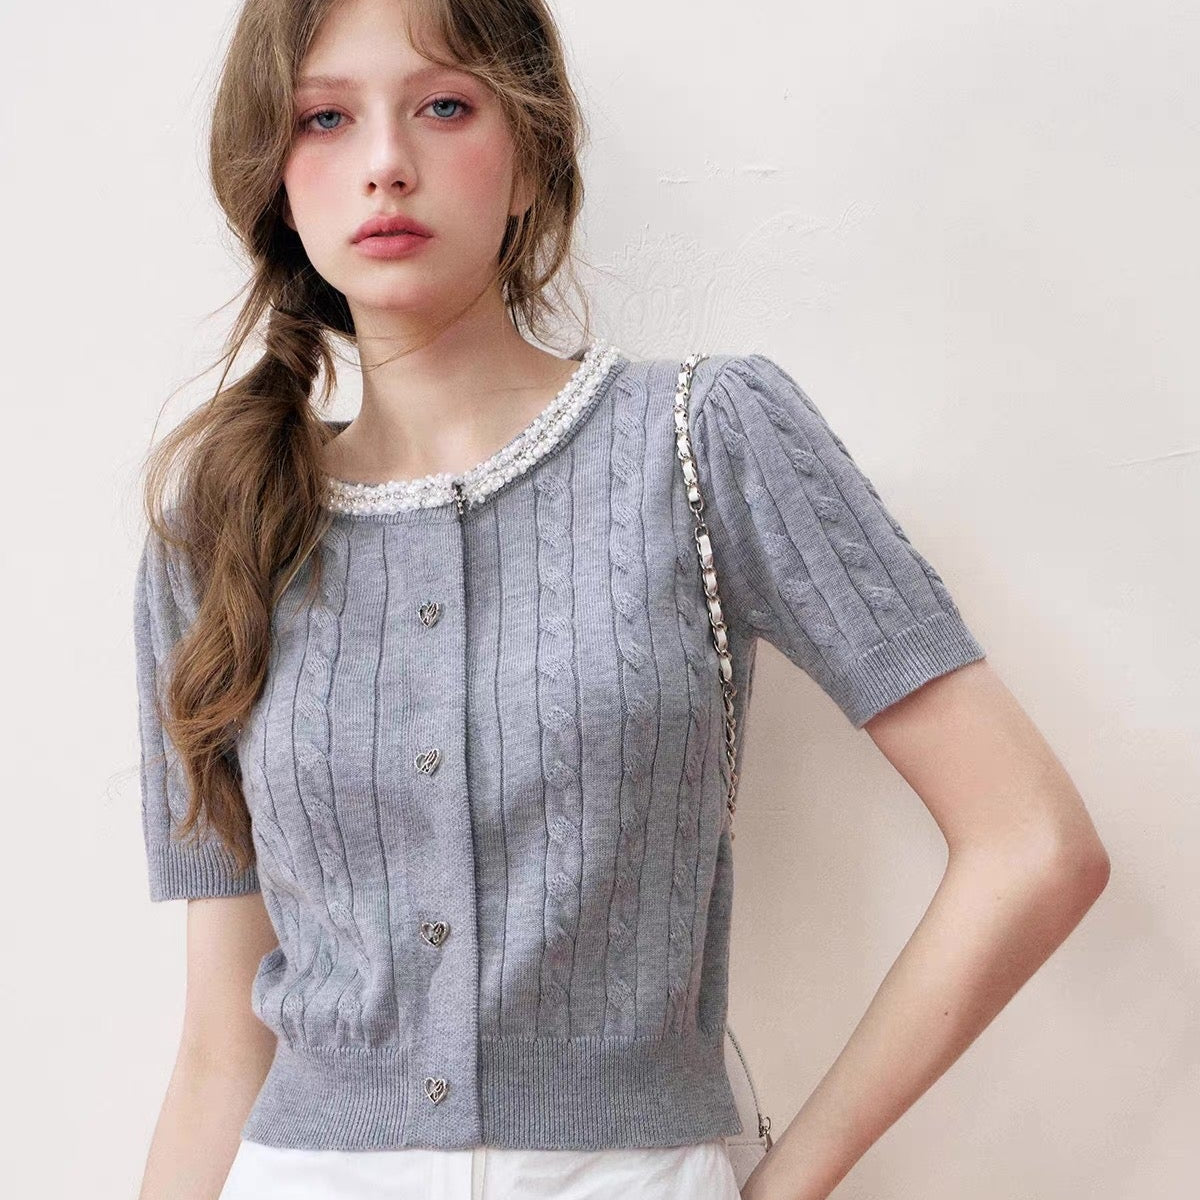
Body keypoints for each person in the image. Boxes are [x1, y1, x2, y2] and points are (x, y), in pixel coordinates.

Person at [133, 1, 1110, 1198]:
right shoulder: (218, 530)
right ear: (277, 182)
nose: (385, 162)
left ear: (532, 156)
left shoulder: (707, 440)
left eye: (444, 105)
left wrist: (779, 1185)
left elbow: (1033, 843)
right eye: (324, 119)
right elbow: (219, 1047)